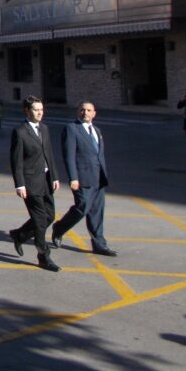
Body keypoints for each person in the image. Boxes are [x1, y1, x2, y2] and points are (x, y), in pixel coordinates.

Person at [51, 102, 116, 257]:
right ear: (77, 112)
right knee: (82, 207)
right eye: (82, 110)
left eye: (88, 110)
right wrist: (73, 177)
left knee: (97, 212)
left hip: (98, 178)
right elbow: (69, 155)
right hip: (82, 177)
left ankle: (99, 245)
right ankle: (59, 228)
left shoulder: (97, 130)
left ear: (94, 113)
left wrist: (104, 174)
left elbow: (99, 155)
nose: (85, 113)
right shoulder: (72, 129)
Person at [8, 95, 61, 272]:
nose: (40, 113)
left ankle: (19, 235)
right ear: (27, 111)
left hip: (46, 180)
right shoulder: (20, 132)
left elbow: (49, 155)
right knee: (39, 220)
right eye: (36, 110)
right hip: (30, 182)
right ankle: (43, 256)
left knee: (50, 216)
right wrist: (19, 184)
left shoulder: (44, 129)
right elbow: (16, 161)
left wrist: (54, 176)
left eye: (41, 109)